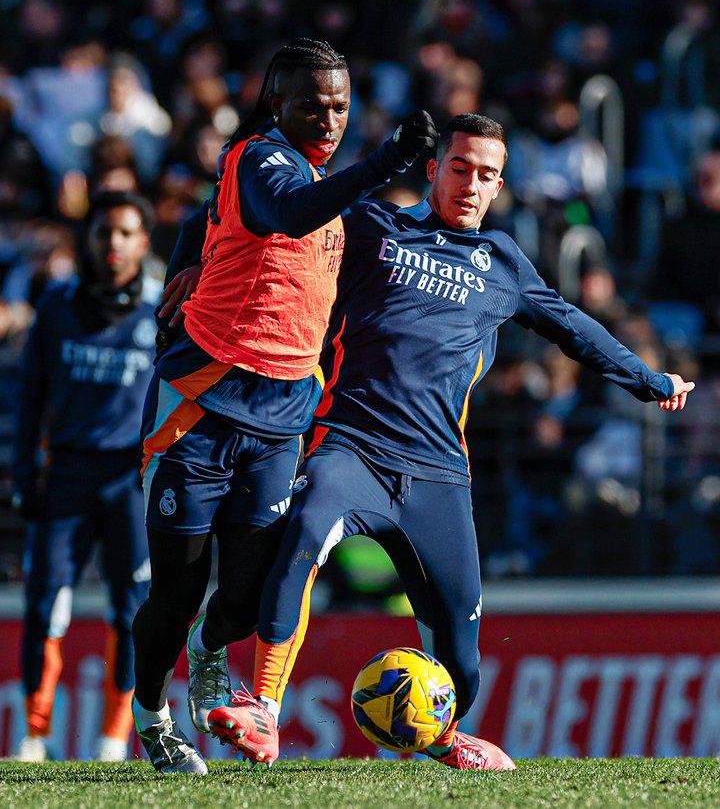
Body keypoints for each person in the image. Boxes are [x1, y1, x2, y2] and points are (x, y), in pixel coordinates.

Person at [205, 114, 694, 771]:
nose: (470, 183)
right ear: (433, 169)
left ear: (499, 185)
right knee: (303, 532)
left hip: (438, 474)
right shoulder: (373, 225)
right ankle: (264, 708)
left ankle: (442, 737)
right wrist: (192, 262)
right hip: (352, 447)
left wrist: (647, 377)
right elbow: (282, 225)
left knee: (462, 657)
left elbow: (573, 326)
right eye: (459, 167)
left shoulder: (503, 263)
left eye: (486, 174)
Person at [131, 37, 437, 774]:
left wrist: (187, 263)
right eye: (311, 105)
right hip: (201, 407)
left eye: (339, 106)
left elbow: (202, 223)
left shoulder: (327, 187)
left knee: (246, 595)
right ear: (277, 104)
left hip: (281, 418)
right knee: (178, 592)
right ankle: (152, 719)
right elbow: (286, 213)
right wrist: (387, 162)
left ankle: (208, 656)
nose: (328, 119)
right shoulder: (259, 159)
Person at [12, 190, 159, 762]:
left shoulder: (163, 310)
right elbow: (30, 398)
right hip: (67, 476)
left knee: (133, 612)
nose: (114, 244)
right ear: (89, 240)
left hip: (133, 479)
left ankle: (111, 743)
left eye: (126, 233)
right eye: (104, 233)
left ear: (144, 242)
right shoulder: (55, 306)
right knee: (47, 604)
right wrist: (25, 473)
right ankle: (34, 736)